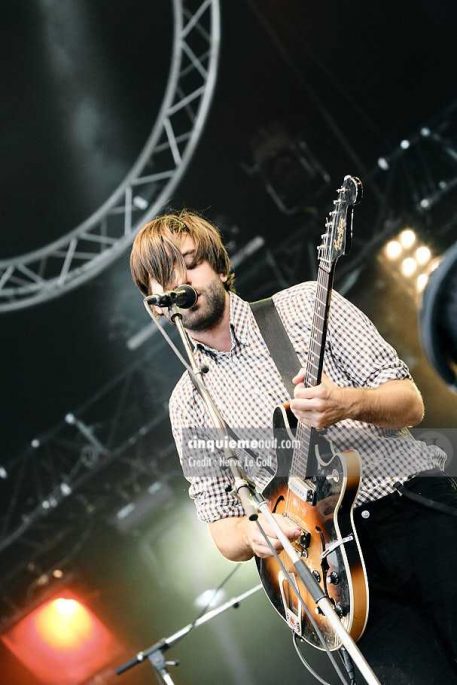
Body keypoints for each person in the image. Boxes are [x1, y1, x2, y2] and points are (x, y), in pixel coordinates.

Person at [130, 210, 457, 683]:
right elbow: (222, 526)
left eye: (190, 263)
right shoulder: (188, 403)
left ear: (219, 267)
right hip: (337, 574)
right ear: (158, 305)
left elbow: (410, 404)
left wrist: (347, 404)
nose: (182, 282)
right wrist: (254, 535)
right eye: (165, 279)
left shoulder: (305, 306)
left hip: (417, 514)